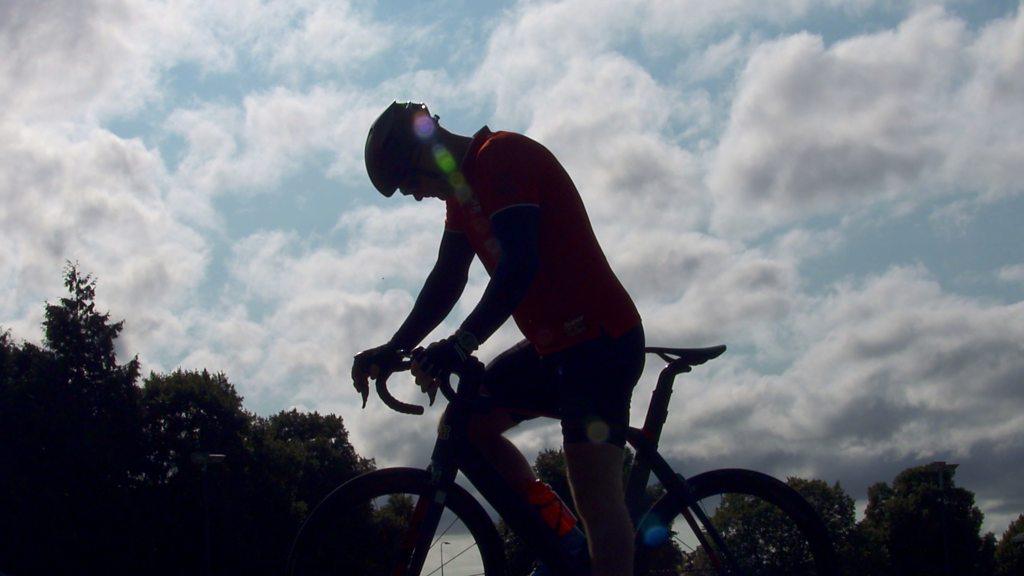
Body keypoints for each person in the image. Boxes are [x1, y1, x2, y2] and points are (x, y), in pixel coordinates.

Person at [352, 101, 645, 576]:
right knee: (467, 425)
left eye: (408, 182)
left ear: (425, 150)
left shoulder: (502, 158)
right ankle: (562, 540)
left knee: (597, 498)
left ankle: (591, 550)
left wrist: (463, 341)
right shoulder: (461, 196)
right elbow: (447, 280)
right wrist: (395, 348)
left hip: (600, 341)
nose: (413, 196)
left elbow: (518, 266)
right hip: (556, 349)